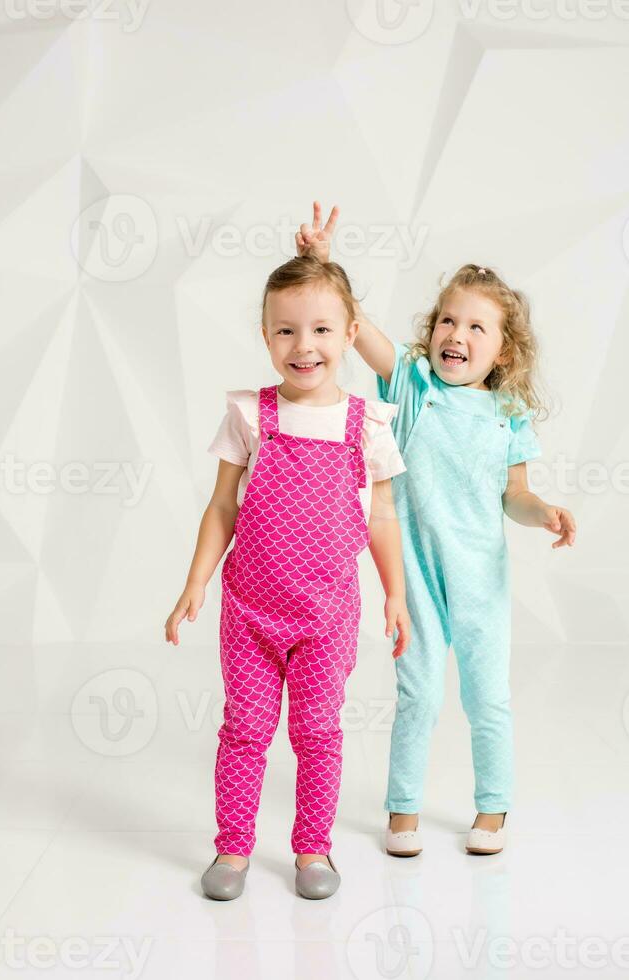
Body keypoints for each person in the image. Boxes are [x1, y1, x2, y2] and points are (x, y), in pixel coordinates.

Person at [297, 202, 576, 857]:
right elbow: (356, 330)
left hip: (480, 575)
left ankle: (493, 809)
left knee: (487, 696)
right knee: (417, 689)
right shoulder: (415, 382)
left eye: (477, 326)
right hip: (415, 573)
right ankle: (403, 811)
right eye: (448, 319)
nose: (458, 333)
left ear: (502, 349)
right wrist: (320, 263)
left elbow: (517, 497)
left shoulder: (506, 412)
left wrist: (547, 514)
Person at [165, 255, 411, 899]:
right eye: (286, 331)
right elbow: (223, 505)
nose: (304, 346)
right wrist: (195, 582)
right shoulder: (251, 415)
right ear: (267, 335)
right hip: (249, 610)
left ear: (351, 332)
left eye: (322, 330)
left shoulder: (367, 425)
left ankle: (312, 850)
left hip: (327, 615)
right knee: (245, 729)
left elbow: (382, 516)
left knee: (319, 732)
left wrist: (395, 593)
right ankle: (232, 848)